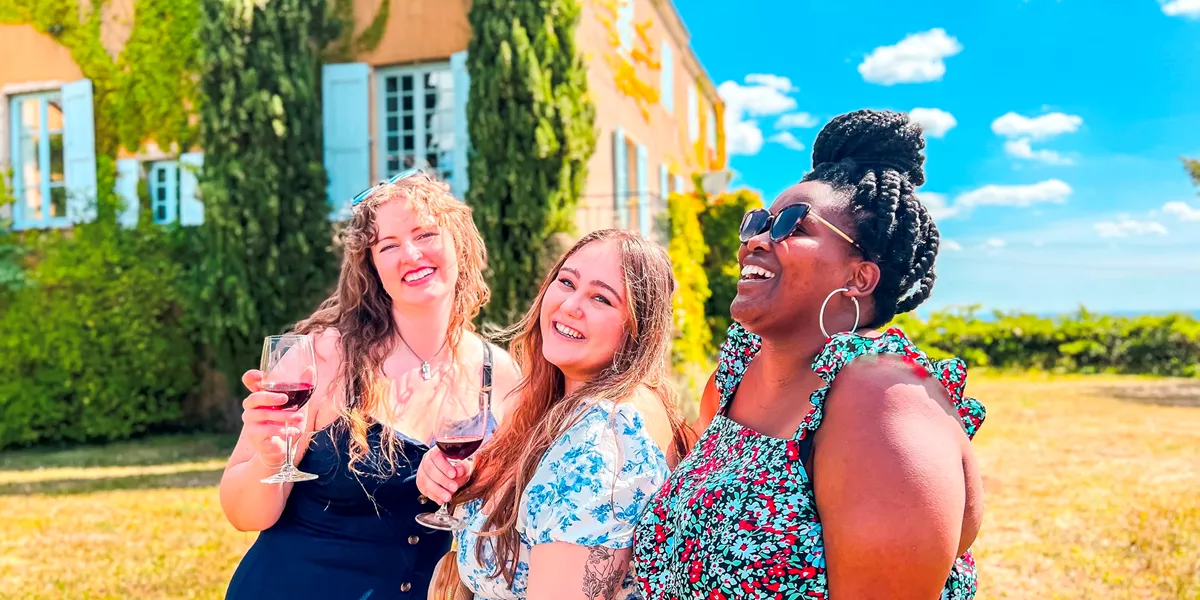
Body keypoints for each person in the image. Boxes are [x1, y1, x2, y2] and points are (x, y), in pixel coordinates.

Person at [633, 109, 988, 600]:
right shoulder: (735, 376)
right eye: (757, 222)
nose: (755, 240)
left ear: (859, 277)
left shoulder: (882, 402)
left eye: (791, 225)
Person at [220, 170, 521, 600]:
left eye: (425, 234)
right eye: (388, 245)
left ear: (460, 242)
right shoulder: (321, 358)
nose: (411, 254)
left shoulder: (500, 377)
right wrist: (269, 459)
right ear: (373, 266)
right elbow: (243, 513)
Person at [416, 229, 694, 600]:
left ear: (636, 331)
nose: (570, 306)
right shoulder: (552, 408)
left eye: (601, 298)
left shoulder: (600, 445)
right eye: (566, 282)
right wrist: (468, 478)